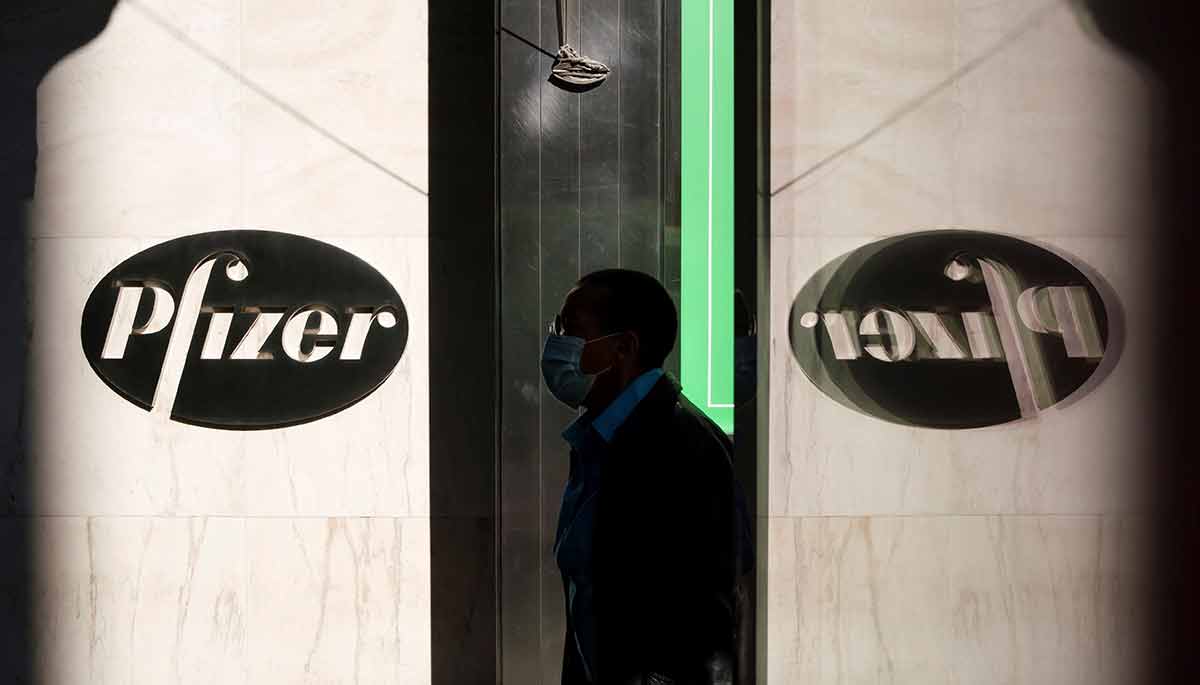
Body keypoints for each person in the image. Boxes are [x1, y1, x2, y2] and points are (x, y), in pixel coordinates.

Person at [541, 268, 752, 685]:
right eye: (557, 329)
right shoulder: (602, 439)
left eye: (571, 330)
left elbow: (705, 612)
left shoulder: (683, 445)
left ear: (624, 347)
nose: (556, 344)